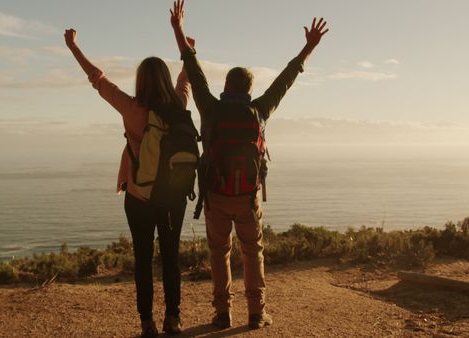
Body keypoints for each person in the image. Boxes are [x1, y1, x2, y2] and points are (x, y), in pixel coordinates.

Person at [169, 0, 329, 330]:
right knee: (252, 252)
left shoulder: (209, 107)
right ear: (249, 89)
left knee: (219, 254)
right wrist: (308, 47)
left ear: (226, 86)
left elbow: (193, 68)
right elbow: (287, 78)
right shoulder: (259, 109)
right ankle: (257, 313)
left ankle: (222, 313)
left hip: (215, 195)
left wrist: (178, 29)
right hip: (247, 196)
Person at [64, 28, 195, 337]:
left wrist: (73, 47)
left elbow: (98, 79)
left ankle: (147, 321)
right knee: (171, 257)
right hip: (174, 197)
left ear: (141, 81)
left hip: (139, 196)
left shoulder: (131, 108)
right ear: (164, 79)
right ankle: (173, 318)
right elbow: (185, 80)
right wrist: (189, 51)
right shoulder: (178, 105)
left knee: (143, 258)